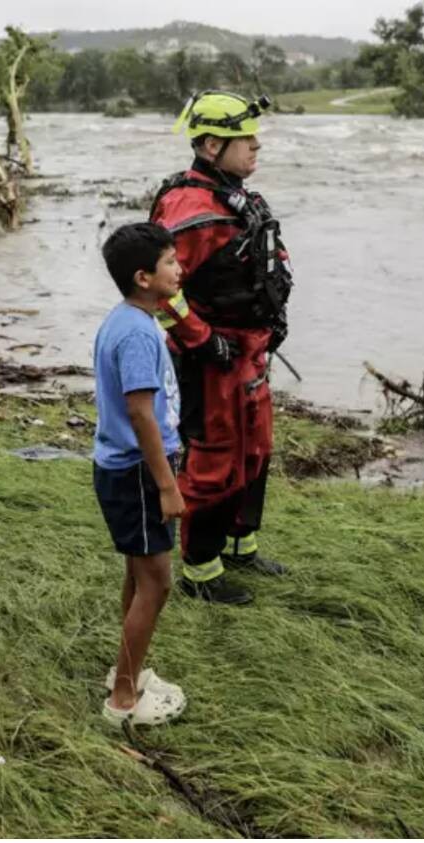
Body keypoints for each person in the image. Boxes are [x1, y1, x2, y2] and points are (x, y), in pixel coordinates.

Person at [149, 91, 294, 606]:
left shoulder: (236, 195)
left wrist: (272, 320)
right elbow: (160, 288)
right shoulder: (189, 206)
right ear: (211, 145)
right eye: (244, 139)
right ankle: (200, 571)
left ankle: (240, 545)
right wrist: (203, 342)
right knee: (214, 460)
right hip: (215, 359)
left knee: (255, 451)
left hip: (251, 350)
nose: (256, 147)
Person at [93, 222, 189, 726]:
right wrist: (167, 486)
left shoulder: (128, 319)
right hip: (138, 472)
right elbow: (140, 414)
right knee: (157, 582)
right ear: (143, 277)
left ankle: (124, 672)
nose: (180, 269)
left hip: (128, 468)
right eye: (170, 262)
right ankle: (124, 701)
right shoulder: (134, 332)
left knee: (138, 573)